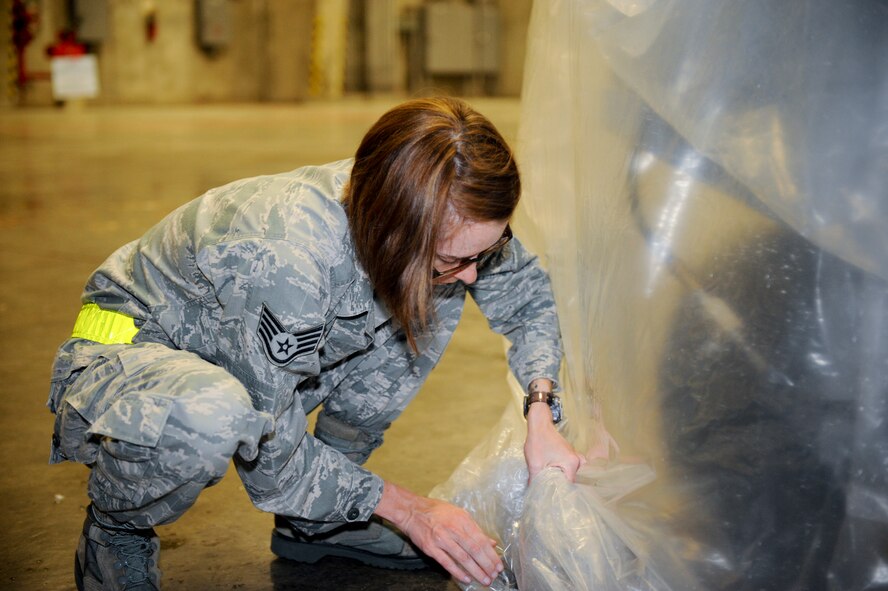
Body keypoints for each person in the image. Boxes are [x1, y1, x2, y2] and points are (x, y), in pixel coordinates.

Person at [47, 96, 586, 590]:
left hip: (258, 348)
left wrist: (540, 411)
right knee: (211, 417)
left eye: (483, 254)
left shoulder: (439, 215)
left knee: (429, 295)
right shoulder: (289, 257)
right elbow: (272, 457)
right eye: (456, 258)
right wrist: (407, 509)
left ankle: (318, 524)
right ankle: (115, 530)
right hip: (141, 349)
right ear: (393, 231)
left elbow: (529, 301)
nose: (473, 275)